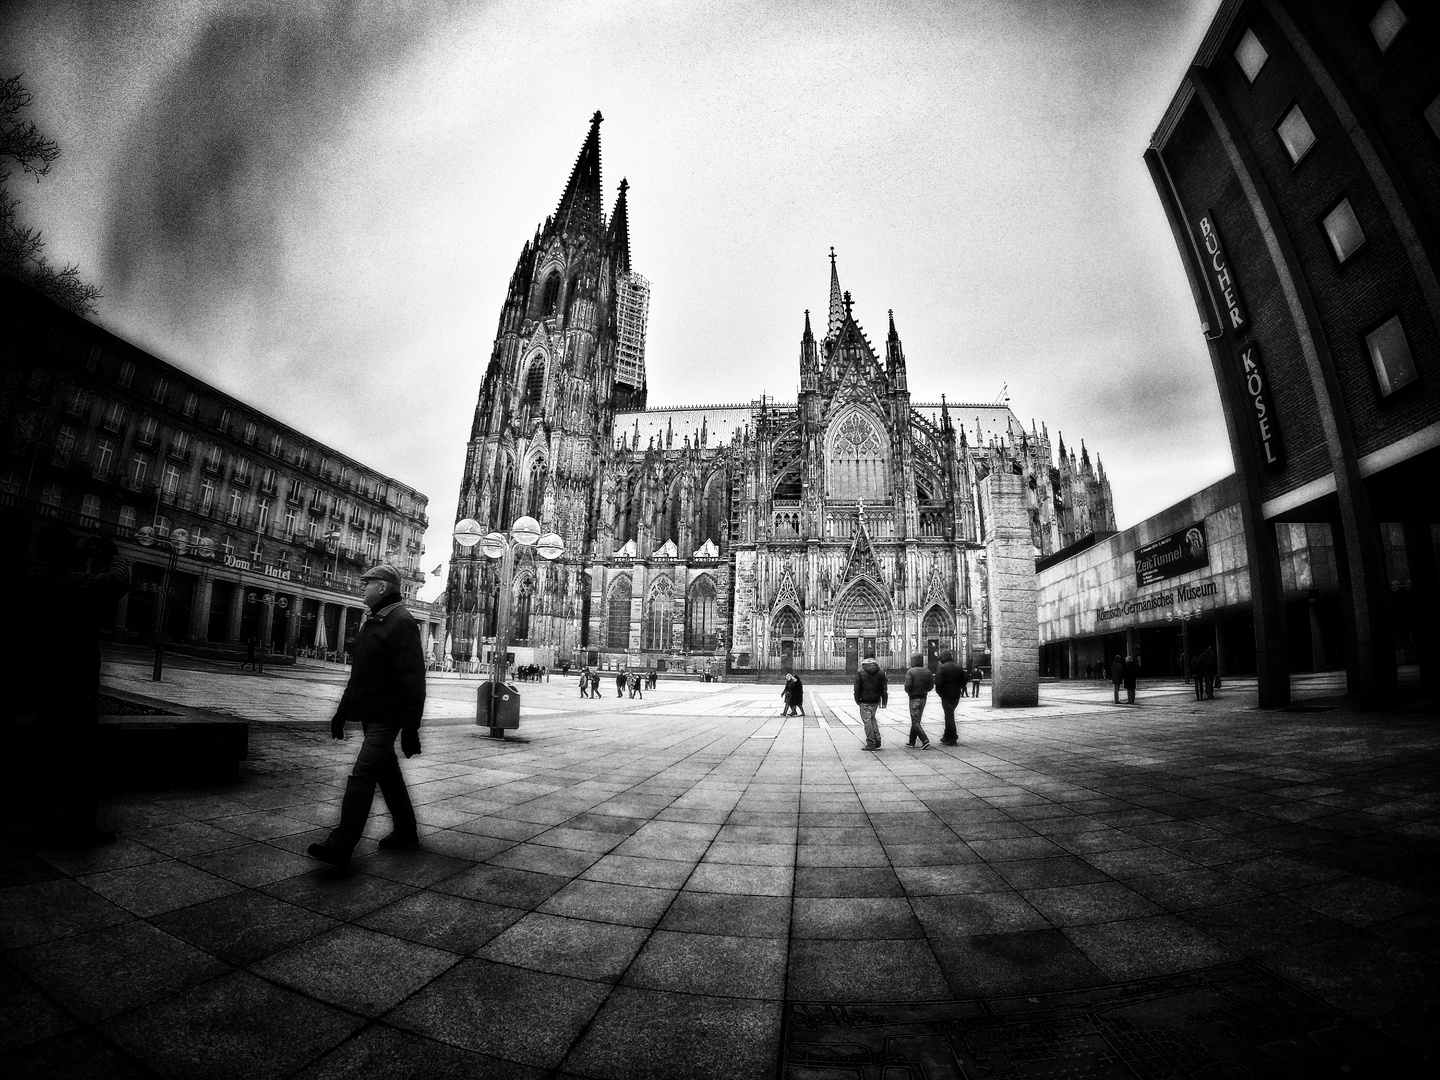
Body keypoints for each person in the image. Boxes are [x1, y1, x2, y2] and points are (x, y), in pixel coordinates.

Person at [309, 564, 425, 870]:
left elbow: (413, 681)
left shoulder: (401, 622)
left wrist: (411, 729)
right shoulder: (374, 620)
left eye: (367, 583)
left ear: (384, 587)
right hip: (371, 714)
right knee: (389, 777)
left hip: (386, 717)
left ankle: (341, 844)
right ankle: (406, 831)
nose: (362, 587)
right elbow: (360, 675)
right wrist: (342, 712)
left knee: (361, 777)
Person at [24, 526, 130, 845]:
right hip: (72, 681)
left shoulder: (31, 579)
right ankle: (82, 825)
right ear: (64, 554)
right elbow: (117, 581)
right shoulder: (66, 580)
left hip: (44, 678)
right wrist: (113, 555)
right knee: (80, 758)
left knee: (46, 754)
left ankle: (43, 820)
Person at [853, 649, 888, 751]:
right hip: (876, 700)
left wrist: (857, 699)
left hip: (864, 700)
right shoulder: (880, 671)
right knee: (872, 718)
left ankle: (871, 743)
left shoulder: (860, 671)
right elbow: (884, 688)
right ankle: (877, 738)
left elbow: (857, 687)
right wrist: (884, 700)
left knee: (867, 721)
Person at [934, 649, 966, 746]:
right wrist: (958, 687)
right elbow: (964, 680)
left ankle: (952, 737)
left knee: (949, 715)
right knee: (950, 714)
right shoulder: (958, 667)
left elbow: (938, 682)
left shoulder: (942, 668)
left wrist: (940, 692)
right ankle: (947, 735)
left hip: (946, 694)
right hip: (956, 694)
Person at [902, 653, 934, 749]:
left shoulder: (911, 671)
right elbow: (931, 685)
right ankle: (912, 741)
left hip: (914, 698)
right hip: (923, 698)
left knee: (915, 721)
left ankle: (925, 740)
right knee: (917, 719)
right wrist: (924, 691)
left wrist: (909, 691)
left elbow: (908, 685)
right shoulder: (927, 671)